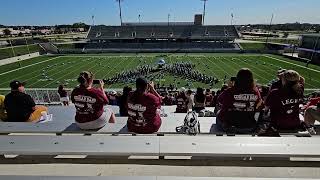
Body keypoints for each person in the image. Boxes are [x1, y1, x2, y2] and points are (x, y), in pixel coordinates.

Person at [217, 68, 262, 133]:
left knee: (218, 113)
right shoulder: (256, 92)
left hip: (231, 125)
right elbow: (259, 105)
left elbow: (220, 100)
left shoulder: (230, 91)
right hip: (249, 124)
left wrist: (229, 88)